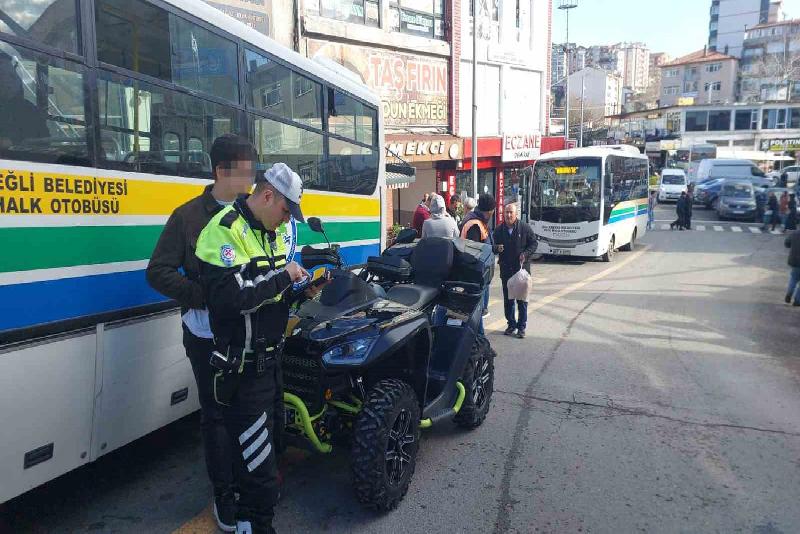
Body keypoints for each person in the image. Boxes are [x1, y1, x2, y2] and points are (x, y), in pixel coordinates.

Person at [195, 162, 319, 534]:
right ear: (268, 195)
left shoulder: (271, 233)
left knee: (271, 457)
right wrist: (285, 276)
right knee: (258, 474)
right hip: (244, 373)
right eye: (285, 211)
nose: (286, 222)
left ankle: (253, 515)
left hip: (272, 367)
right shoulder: (223, 232)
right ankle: (254, 524)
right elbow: (234, 300)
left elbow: (271, 297)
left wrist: (301, 290)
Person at [146, 134, 260, 532]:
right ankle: (224, 494)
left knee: (248, 411)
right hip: (206, 335)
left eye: (252, 175)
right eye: (242, 175)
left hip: (248, 334)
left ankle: (252, 484)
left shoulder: (252, 214)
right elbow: (157, 272)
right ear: (219, 172)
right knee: (215, 417)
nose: (249, 183)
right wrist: (203, 296)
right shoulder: (188, 217)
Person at [492, 203, 537, 339]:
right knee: (508, 300)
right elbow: (492, 246)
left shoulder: (524, 228)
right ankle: (511, 324)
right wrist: (496, 248)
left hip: (521, 271)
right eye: (506, 212)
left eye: (511, 212)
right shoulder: (499, 230)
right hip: (506, 270)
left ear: (516, 214)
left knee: (522, 301)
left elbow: (534, 243)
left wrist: (526, 253)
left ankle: (521, 327)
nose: (508, 215)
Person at [461, 193, 497, 325]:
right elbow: (473, 253)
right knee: (476, 313)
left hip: (480, 275)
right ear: (489, 211)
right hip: (476, 277)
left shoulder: (478, 221)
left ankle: (478, 340)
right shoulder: (474, 224)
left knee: (478, 311)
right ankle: (478, 341)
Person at [784, 228, 800, 306]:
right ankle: (797, 301)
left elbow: (787, 243)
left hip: (795, 261)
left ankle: (788, 295)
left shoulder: (795, 233)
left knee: (793, 278)